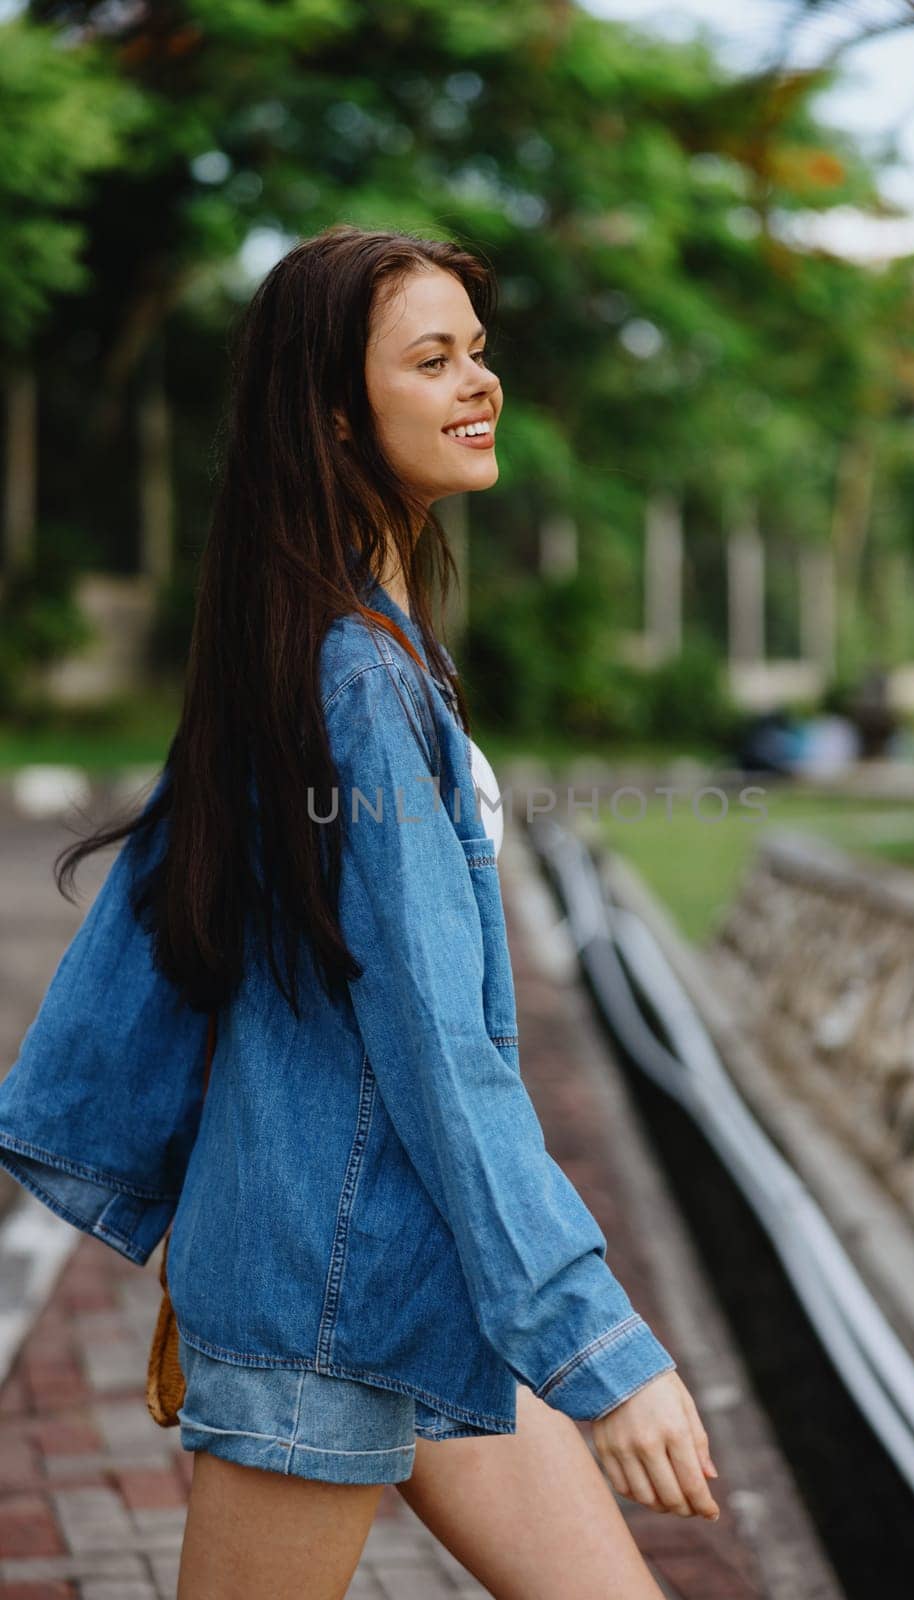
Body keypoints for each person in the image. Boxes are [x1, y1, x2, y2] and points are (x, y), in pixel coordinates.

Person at [0, 224, 719, 1599]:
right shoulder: (352, 682)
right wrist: (602, 1353)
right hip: (320, 1300)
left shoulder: (357, 653)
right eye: (433, 359)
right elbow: (442, 1052)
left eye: (481, 352)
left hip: (411, 1271)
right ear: (335, 414)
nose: (482, 383)